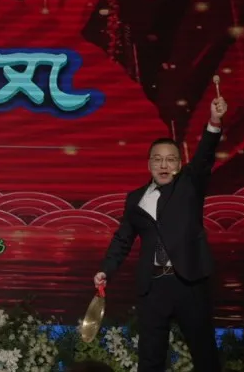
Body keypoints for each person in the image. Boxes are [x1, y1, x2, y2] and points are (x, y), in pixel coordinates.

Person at [95, 96, 227, 372]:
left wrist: (214, 122)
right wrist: (106, 269)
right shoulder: (135, 199)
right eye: (157, 160)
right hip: (153, 287)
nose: (163, 165)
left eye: (170, 160)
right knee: (150, 359)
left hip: (189, 283)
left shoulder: (189, 186)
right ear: (149, 165)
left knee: (205, 356)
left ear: (179, 165)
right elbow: (123, 239)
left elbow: (204, 156)